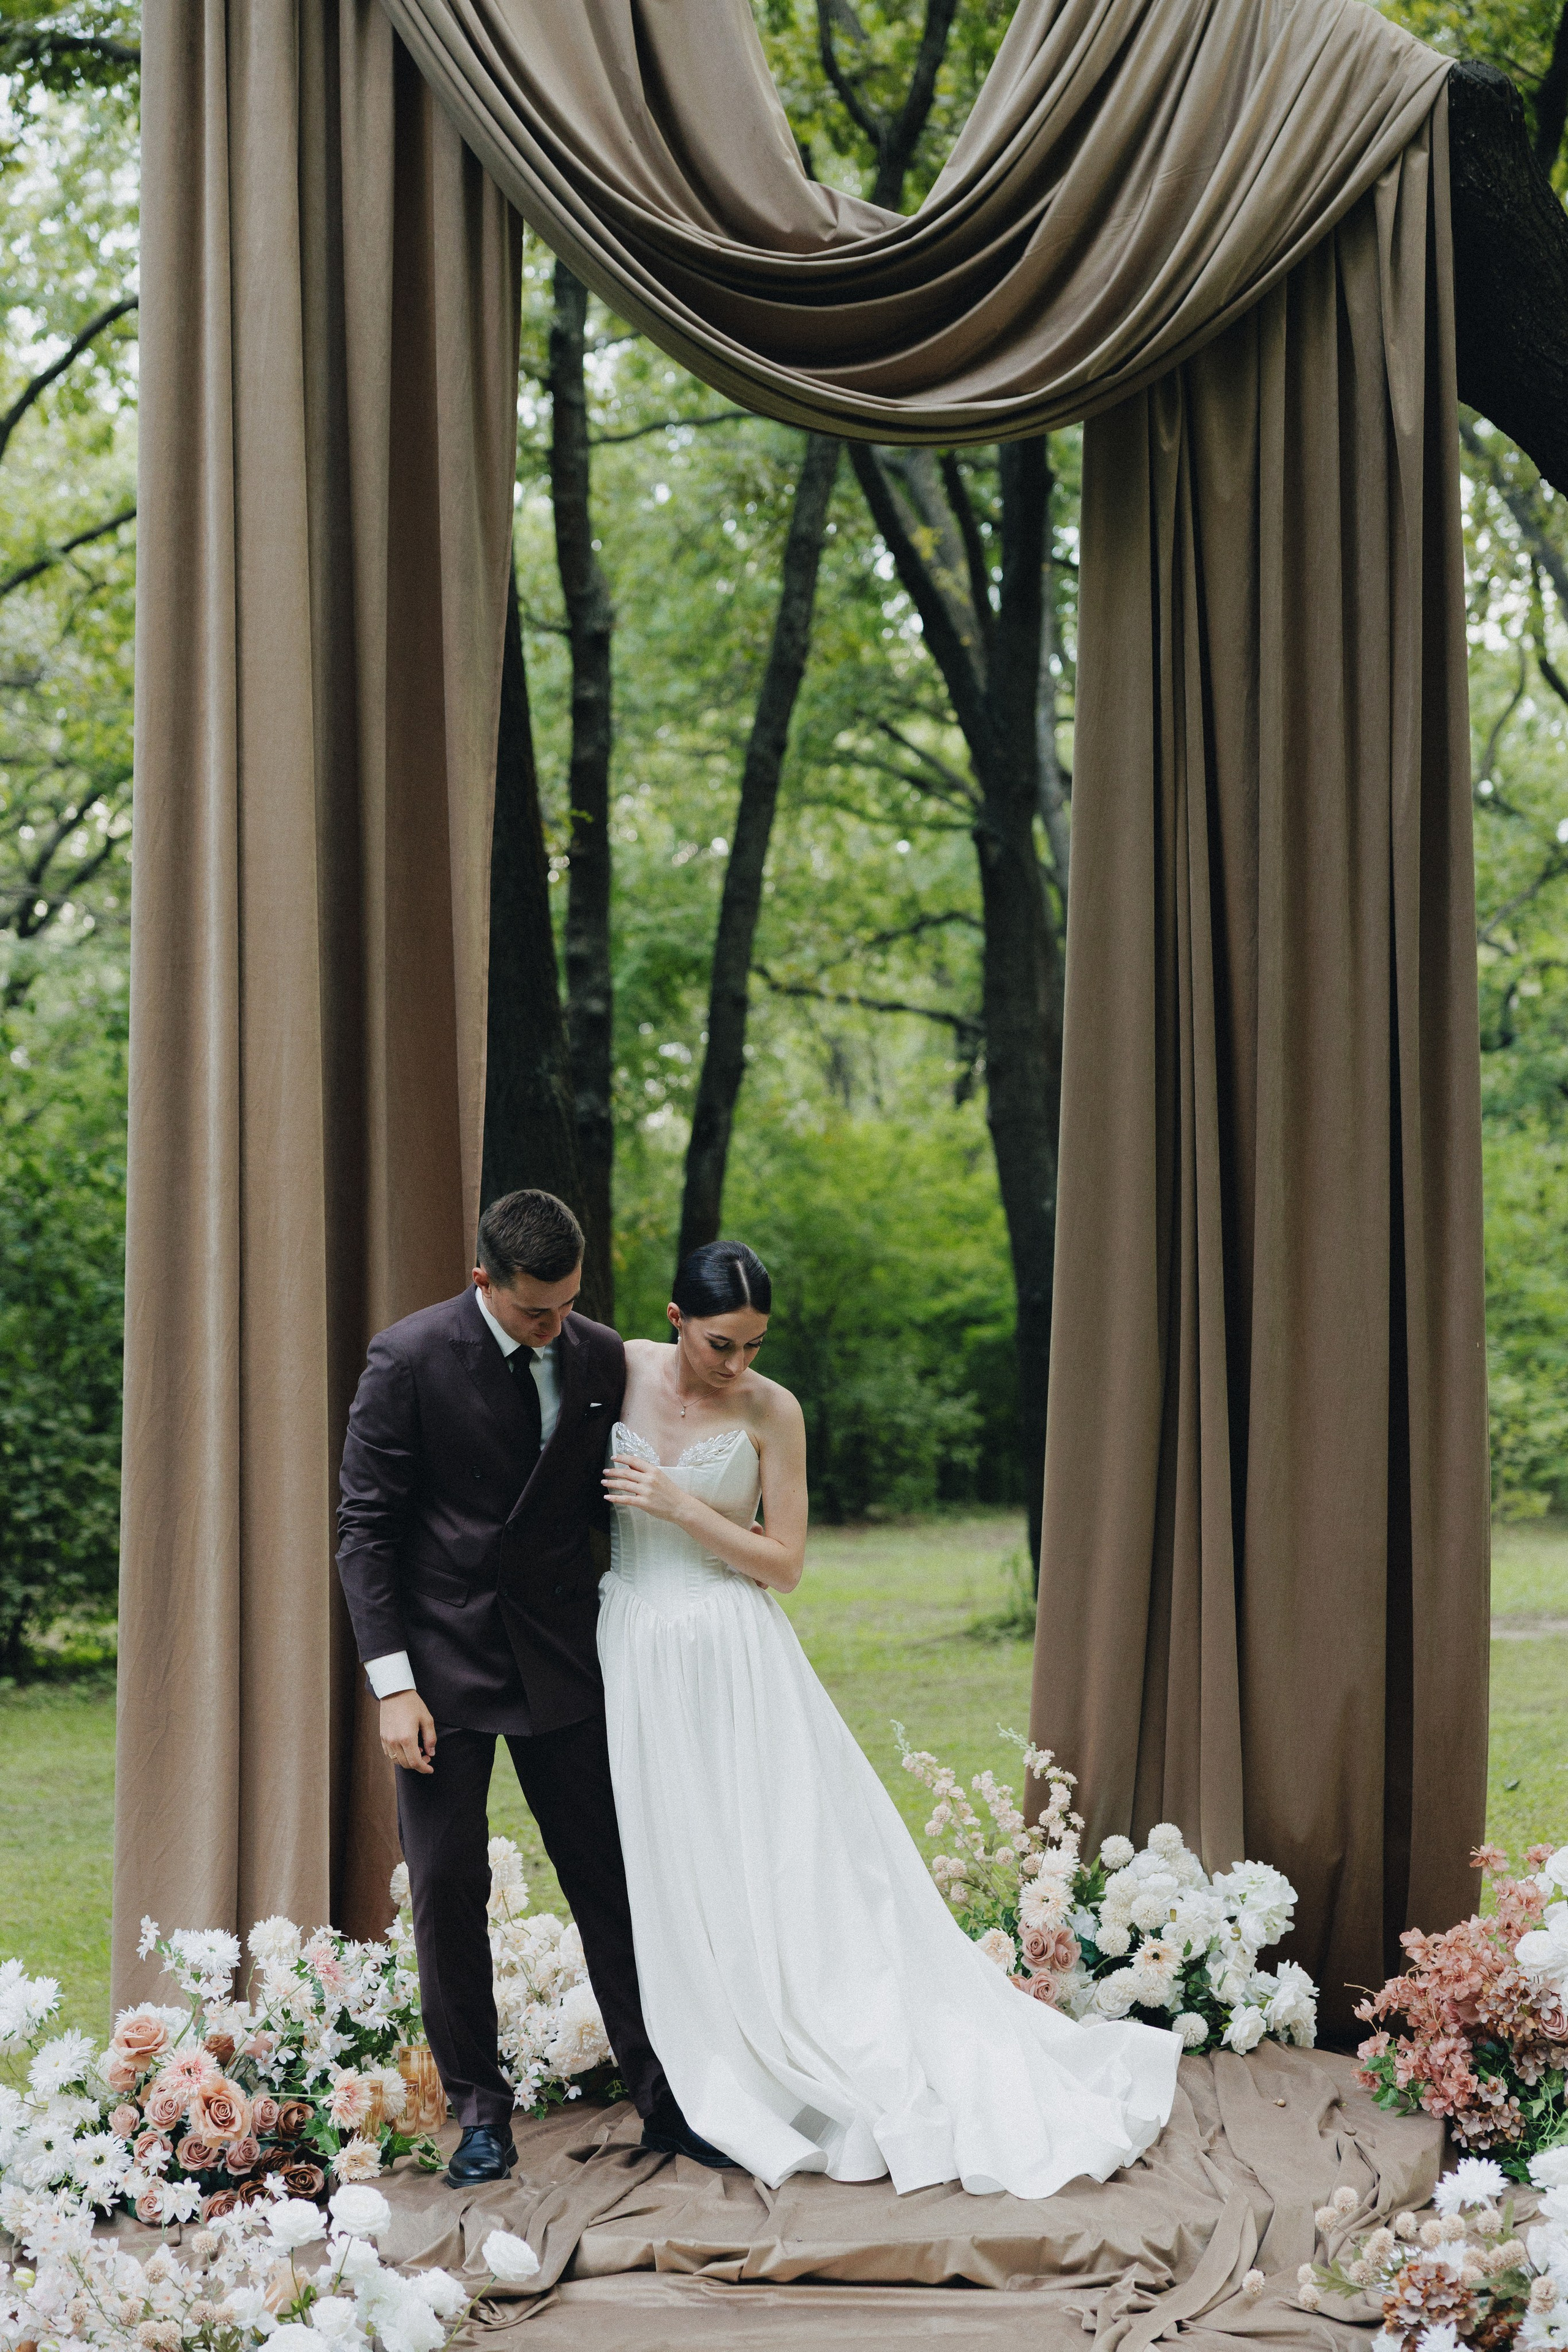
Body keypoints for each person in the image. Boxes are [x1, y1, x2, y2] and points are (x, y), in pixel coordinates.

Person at [598, 1238, 1182, 2199]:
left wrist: (677, 1506)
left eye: (752, 1343)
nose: (736, 1363)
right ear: (673, 1320)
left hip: (734, 1650)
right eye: (718, 1344)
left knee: (775, 1857)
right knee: (670, 1856)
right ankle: (688, 2043)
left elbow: (785, 1563)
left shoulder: (770, 1409)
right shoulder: (612, 1368)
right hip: (634, 1646)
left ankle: (794, 2039)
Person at [335, 1188, 728, 2183]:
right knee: (448, 1891)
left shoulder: (598, 1355)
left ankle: (666, 2094)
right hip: (440, 1673)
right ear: (483, 1282)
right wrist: (393, 1686)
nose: (556, 1328)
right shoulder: (409, 1358)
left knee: (613, 1879)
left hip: (564, 1660)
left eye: (567, 1306)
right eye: (534, 1313)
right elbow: (365, 1532)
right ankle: (477, 2113)